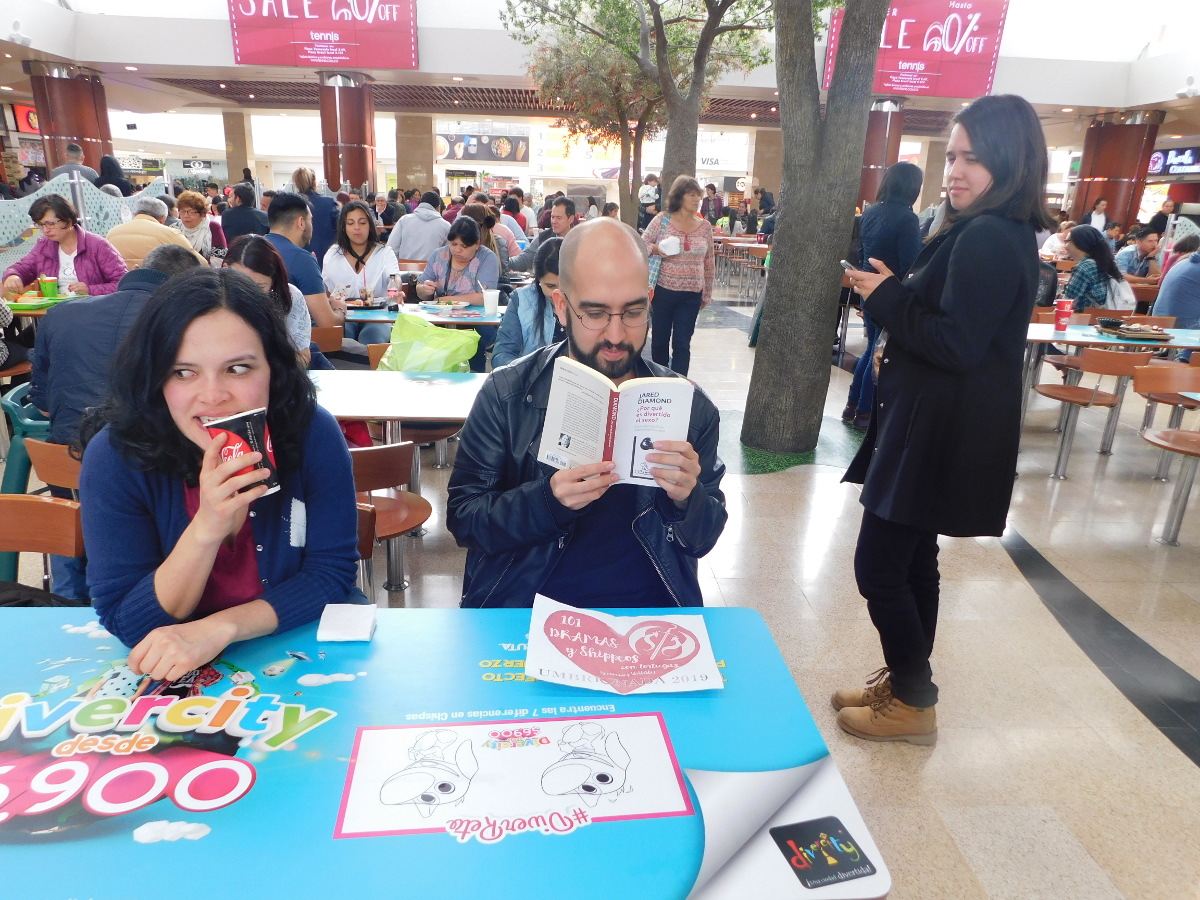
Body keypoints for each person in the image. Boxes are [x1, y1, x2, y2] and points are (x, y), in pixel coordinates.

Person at [840, 94, 1054, 744]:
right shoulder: (985, 227)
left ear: (1010, 161)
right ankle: (907, 681)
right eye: (952, 155)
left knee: (878, 566)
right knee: (913, 562)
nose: (955, 170)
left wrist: (889, 298)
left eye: (973, 158)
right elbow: (951, 323)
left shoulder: (990, 234)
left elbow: (957, 344)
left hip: (937, 432)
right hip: (935, 425)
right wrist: (897, 296)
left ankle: (914, 697)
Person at [78, 267, 359, 680]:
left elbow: (331, 575)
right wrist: (208, 525)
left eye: (239, 368)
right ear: (157, 378)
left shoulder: (311, 431)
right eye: (183, 372)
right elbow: (128, 621)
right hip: (175, 673)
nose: (213, 396)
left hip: (301, 656)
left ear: (273, 370)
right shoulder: (116, 457)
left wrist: (221, 628)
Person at [446, 217, 727, 608]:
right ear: (561, 306)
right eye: (594, 314)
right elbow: (465, 519)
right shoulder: (508, 394)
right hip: (529, 606)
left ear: (649, 300)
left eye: (632, 312)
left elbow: (704, 538)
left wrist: (688, 499)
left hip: (648, 612)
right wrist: (547, 501)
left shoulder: (691, 408)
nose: (615, 335)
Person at [29, 245, 204, 601]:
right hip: (149, 475)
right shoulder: (184, 325)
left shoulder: (60, 315)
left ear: (138, 269)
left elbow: (44, 407)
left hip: (63, 468)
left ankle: (66, 603)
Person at [843, 161, 923, 431]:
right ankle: (865, 410)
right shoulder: (907, 218)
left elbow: (864, 255)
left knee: (871, 348)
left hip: (868, 289)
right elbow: (911, 264)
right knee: (880, 351)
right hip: (890, 293)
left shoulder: (871, 213)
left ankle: (853, 404)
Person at [642, 176, 715, 376]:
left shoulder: (705, 227)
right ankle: (660, 379)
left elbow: (709, 262)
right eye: (691, 195)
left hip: (691, 295)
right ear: (679, 197)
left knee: (682, 343)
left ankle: (679, 384)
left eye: (698, 196)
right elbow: (641, 243)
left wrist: (707, 292)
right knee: (659, 341)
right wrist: (656, 248)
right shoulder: (662, 220)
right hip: (664, 292)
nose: (696, 199)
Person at [2, 195, 127, 298]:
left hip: (92, 312)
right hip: (53, 312)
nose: (45, 230)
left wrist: (90, 289)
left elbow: (124, 283)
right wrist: (13, 276)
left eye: (50, 224)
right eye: (40, 224)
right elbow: (23, 268)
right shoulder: (43, 246)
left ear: (69, 221)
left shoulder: (98, 246)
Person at [416, 217, 498, 372]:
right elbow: (421, 291)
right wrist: (425, 290)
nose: (457, 250)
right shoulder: (439, 255)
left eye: (464, 246)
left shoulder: (487, 258)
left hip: (476, 321)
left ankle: (473, 377)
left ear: (477, 245)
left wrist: (444, 300)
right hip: (440, 317)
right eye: (453, 244)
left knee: (475, 340)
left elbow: (483, 297)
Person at [322, 199, 400, 347]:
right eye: (350, 223)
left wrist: (396, 289)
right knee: (344, 340)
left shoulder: (384, 252)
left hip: (377, 315)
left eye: (362, 222)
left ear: (370, 225)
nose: (357, 228)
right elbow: (324, 288)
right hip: (343, 314)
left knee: (371, 338)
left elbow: (394, 277)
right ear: (343, 227)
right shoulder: (333, 254)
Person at [225, 235, 313, 365]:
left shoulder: (290, 297)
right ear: (226, 269)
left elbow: (303, 356)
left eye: (260, 286)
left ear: (273, 280)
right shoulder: (214, 297)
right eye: (240, 284)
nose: (249, 293)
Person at [265, 192, 346, 332]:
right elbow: (329, 325)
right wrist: (340, 308)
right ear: (301, 222)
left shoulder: (250, 249)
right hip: (297, 347)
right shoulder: (301, 259)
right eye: (310, 220)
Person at [492, 237, 563, 368]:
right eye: (550, 286)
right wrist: (526, 372)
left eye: (565, 285)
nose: (557, 293)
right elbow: (502, 354)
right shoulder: (521, 300)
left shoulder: (588, 302)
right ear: (538, 280)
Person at [105, 195, 202, 269]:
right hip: (155, 287)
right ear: (162, 218)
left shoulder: (112, 232)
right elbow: (200, 262)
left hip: (119, 286)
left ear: (135, 214)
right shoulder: (170, 233)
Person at [1062, 225, 1125, 311]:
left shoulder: (1085, 267)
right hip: (1103, 317)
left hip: (1083, 320)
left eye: (1067, 241)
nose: (1065, 246)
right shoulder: (1101, 261)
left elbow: (1068, 302)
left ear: (1079, 243)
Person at [509, 196, 576, 272]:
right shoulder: (543, 237)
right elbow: (524, 260)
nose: (554, 221)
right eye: (552, 217)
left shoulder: (580, 240)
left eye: (559, 218)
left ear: (571, 219)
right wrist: (502, 261)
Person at [291, 167, 339, 262]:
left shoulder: (289, 205)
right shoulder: (329, 203)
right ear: (314, 182)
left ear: (295, 183)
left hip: (297, 259)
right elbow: (340, 230)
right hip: (328, 258)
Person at [388, 190, 451, 262]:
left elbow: (392, 247)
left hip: (404, 269)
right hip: (433, 271)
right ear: (438, 208)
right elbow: (448, 253)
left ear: (420, 204)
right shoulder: (445, 226)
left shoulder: (404, 220)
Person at [174, 190, 227, 263]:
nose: (186, 216)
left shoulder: (213, 227)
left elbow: (219, 258)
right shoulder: (174, 228)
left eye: (191, 212)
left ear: (203, 214)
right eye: (182, 212)